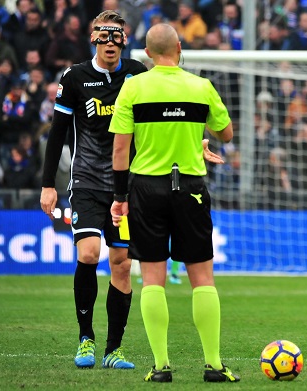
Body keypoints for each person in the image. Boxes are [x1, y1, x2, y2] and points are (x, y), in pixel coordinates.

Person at [108, 23, 239, 383]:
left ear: (147, 54)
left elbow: (120, 149)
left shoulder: (133, 86)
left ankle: (161, 366)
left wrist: (120, 198)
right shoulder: (201, 87)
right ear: (180, 47)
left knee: (152, 278)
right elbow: (225, 133)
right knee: (202, 278)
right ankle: (213, 365)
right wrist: (195, 137)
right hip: (192, 187)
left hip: (146, 188)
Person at [39, 10, 148, 370]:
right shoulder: (74, 76)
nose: (110, 42)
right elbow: (57, 132)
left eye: (117, 35)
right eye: (104, 35)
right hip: (86, 183)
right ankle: (86, 338)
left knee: (121, 264)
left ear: (125, 40)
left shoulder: (137, 74)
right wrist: (47, 185)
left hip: (127, 189)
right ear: (93, 39)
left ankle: (113, 350)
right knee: (88, 254)